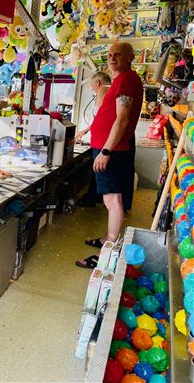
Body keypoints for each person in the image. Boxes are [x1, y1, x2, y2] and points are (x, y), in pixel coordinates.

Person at [76, 42, 143, 269]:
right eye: (110, 55)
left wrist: (106, 150)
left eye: (118, 55)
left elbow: (122, 119)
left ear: (130, 58)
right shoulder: (121, 80)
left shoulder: (126, 79)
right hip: (109, 147)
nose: (112, 58)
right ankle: (108, 239)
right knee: (111, 199)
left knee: (112, 200)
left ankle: (109, 251)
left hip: (112, 150)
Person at [75, 72, 112, 142]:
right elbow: (100, 119)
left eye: (92, 86)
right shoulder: (113, 90)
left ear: (97, 82)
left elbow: (99, 117)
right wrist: (85, 130)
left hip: (103, 139)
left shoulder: (103, 89)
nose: (92, 89)